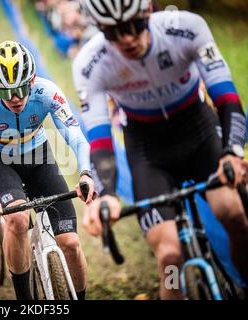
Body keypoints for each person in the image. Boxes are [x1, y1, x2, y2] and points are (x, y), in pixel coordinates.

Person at [73, 0, 248, 299]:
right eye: (113, 32)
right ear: (100, 30)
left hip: (200, 133)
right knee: (169, 256)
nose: (126, 38)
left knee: (232, 213)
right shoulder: (90, 63)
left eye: (133, 25)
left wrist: (232, 151)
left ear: (148, 12)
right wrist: (108, 196)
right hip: (147, 152)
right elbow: (100, 142)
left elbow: (227, 99)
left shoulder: (185, 28)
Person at [0, 40, 96, 300]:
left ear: (32, 80)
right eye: (6, 92)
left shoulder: (47, 93)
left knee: (70, 242)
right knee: (17, 220)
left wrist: (85, 173)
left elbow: (76, 138)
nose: (15, 98)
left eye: (22, 88)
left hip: (39, 160)